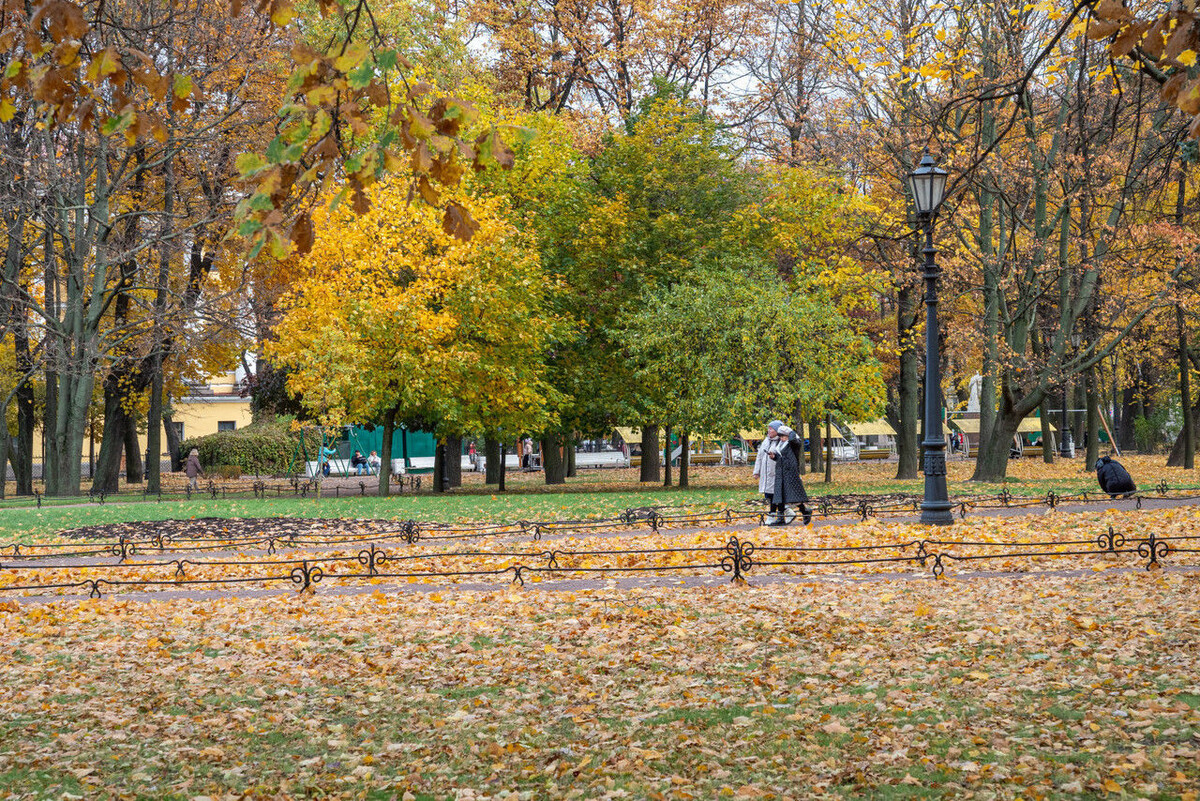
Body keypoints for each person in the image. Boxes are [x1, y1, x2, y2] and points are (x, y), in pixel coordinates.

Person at [767, 425, 812, 526]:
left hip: (790, 472)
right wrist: (774, 457)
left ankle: (805, 511)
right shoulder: (780, 444)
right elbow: (780, 457)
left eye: (784, 436)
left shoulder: (794, 443)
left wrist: (790, 431)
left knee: (793, 494)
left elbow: (792, 439)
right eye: (780, 436)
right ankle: (781, 518)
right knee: (780, 495)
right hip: (780, 472)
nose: (782, 438)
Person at [752, 420, 783, 509]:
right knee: (768, 494)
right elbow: (760, 456)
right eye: (768, 429)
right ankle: (775, 513)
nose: (769, 431)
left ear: (777, 431)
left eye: (771, 429)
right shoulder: (766, 441)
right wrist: (756, 471)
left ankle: (778, 513)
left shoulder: (780, 442)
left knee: (775, 495)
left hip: (775, 472)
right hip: (765, 473)